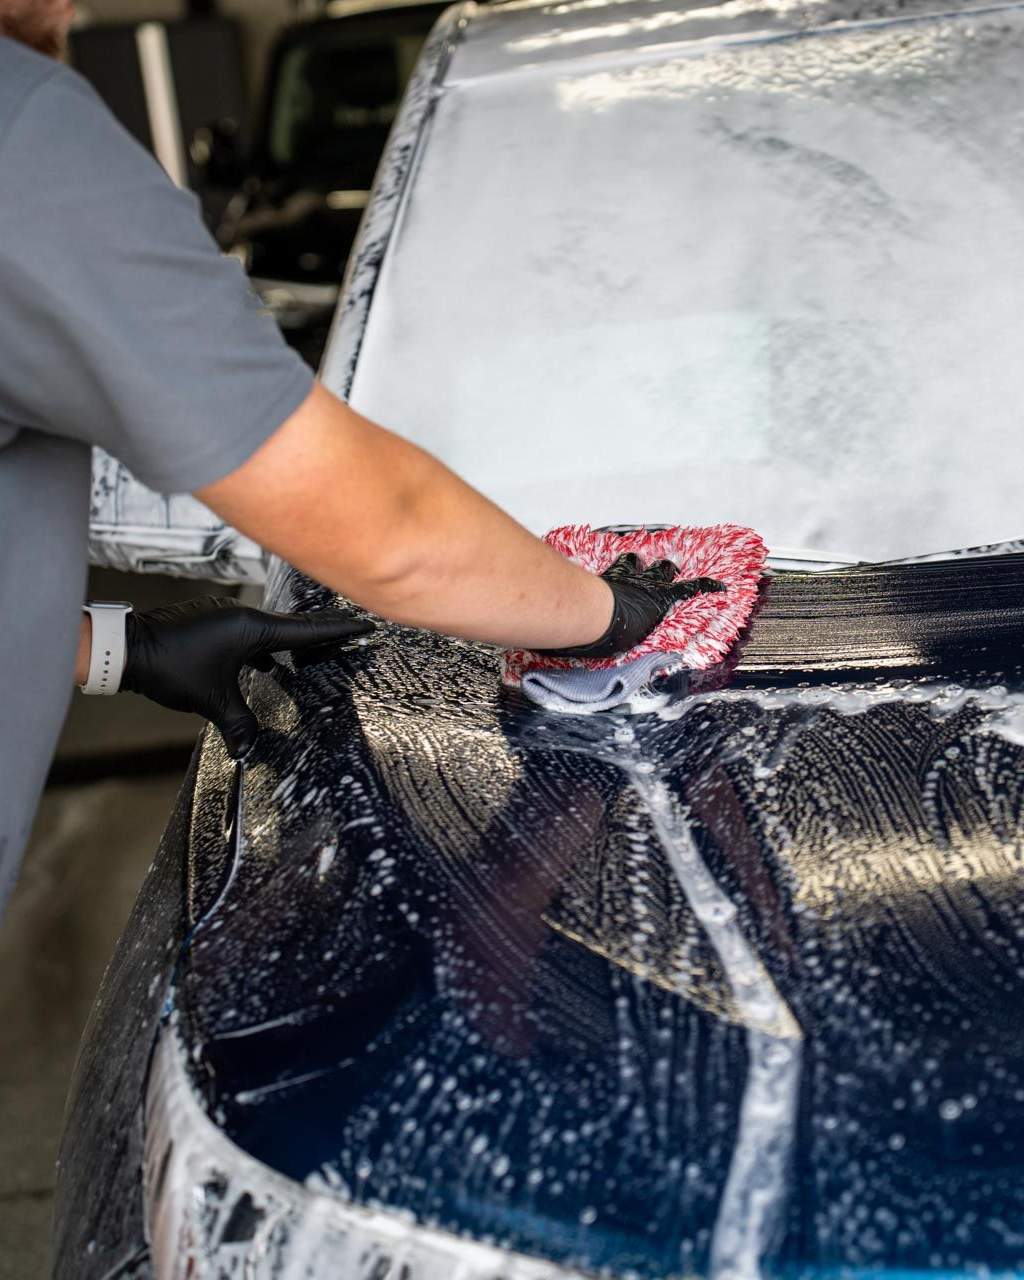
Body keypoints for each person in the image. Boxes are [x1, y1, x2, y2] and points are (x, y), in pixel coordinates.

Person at [0, 0, 714, 917]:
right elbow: (387, 529)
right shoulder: (25, 137)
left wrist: (109, 648)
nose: (77, 6)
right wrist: (614, 615)